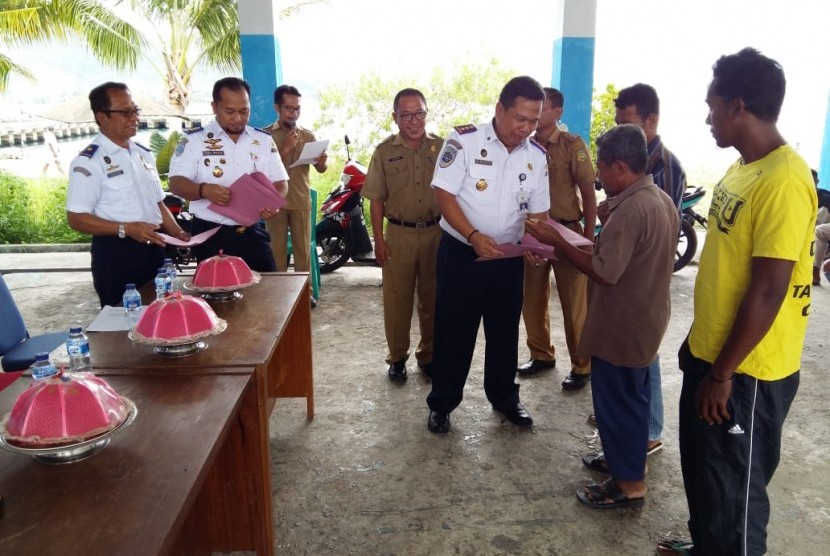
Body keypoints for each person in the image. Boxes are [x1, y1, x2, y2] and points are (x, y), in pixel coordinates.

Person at [657, 48, 816, 556]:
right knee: (706, 480)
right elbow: (726, 271)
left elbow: (768, 290)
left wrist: (723, 374)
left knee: (736, 494)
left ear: (738, 106)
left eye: (712, 105)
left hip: (749, 373)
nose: (707, 117)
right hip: (715, 354)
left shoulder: (784, 180)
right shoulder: (743, 169)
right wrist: (698, 344)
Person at [526, 124, 678, 510]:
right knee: (632, 399)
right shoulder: (657, 198)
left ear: (619, 166)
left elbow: (605, 270)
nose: (596, 178)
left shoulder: (632, 209)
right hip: (645, 317)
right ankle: (621, 460)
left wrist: (558, 240)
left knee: (619, 402)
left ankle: (629, 485)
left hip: (623, 325)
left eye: (603, 169)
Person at [425, 76, 550, 434]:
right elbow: (444, 196)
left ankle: (505, 397)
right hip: (462, 254)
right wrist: (473, 235)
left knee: (504, 331)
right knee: (454, 331)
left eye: (533, 121)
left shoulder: (536, 155)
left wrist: (535, 244)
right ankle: (442, 403)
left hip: (508, 259)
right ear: (499, 110)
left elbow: (537, 213)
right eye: (519, 119)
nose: (525, 129)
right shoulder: (464, 141)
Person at [608, 82, 687, 455]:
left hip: (646, 278)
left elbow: (660, 229)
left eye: (629, 123)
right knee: (633, 355)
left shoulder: (664, 168)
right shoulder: (634, 160)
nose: (621, 129)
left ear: (651, 120)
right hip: (628, 276)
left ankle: (651, 428)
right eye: (618, 121)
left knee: (646, 355)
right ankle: (633, 419)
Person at [66, 82, 189, 307]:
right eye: (125, 112)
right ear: (102, 117)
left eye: (135, 110)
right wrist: (126, 228)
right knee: (122, 323)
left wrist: (178, 233)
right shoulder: (89, 161)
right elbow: (76, 218)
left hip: (154, 249)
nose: (134, 117)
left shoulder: (142, 154)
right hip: (117, 253)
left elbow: (158, 203)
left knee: (163, 313)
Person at [362, 88, 444, 382]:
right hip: (398, 235)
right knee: (397, 301)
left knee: (433, 299)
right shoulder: (384, 152)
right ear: (395, 117)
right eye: (406, 114)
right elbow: (376, 200)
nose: (414, 120)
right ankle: (397, 358)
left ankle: (429, 355)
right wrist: (379, 242)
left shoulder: (443, 147)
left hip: (437, 233)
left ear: (426, 112)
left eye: (419, 112)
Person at [517, 87, 597, 392]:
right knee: (532, 298)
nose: (537, 116)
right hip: (536, 233)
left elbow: (588, 193)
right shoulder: (524, 146)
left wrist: (587, 239)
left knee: (574, 302)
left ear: (558, 112)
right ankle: (541, 354)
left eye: (544, 109)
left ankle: (582, 364)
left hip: (567, 233)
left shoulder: (571, 145)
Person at [169, 77, 288, 272]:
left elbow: (281, 182)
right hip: (211, 234)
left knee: (268, 290)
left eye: (244, 111)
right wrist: (203, 190)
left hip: (252, 232)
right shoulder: (195, 140)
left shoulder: (263, 140)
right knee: (217, 296)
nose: (238, 118)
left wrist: (272, 202)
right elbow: (176, 183)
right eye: (230, 112)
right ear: (214, 107)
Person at [264, 85, 328, 287]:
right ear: (277, 107)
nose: (294, 114)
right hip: (274, 204)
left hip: (300, 201)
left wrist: (321, 161)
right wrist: (285, 148)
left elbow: (322, 169)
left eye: (297, 109)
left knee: (303, 253)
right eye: (289, 108)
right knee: (277, 252)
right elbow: (262, 172)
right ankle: (279, 295)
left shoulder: (308, 136)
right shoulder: (265, 136)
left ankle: (304, 296)